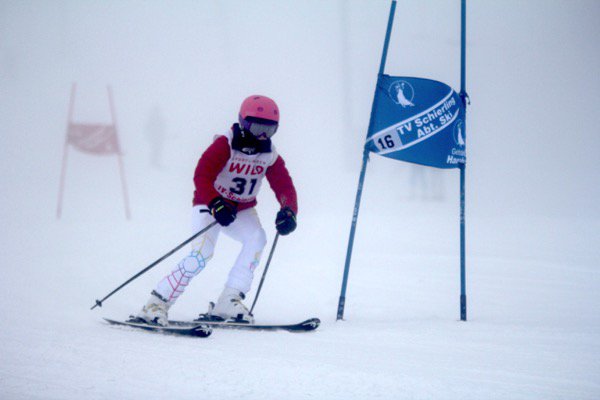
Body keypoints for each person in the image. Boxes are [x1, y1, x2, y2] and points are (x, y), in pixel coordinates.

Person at [133, 95, 298, 326]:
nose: (262, 136)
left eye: (269, 130)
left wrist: (289, 210)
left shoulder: (269, 154)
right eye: (256, 127)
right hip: (210, 205)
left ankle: (229, 300)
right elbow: (202, 175)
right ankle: (155, 304)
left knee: (257, 238)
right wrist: (215, 203)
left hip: (241, 209)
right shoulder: (225, 144)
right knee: (201, 254)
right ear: (242, 122)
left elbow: (284, 186)